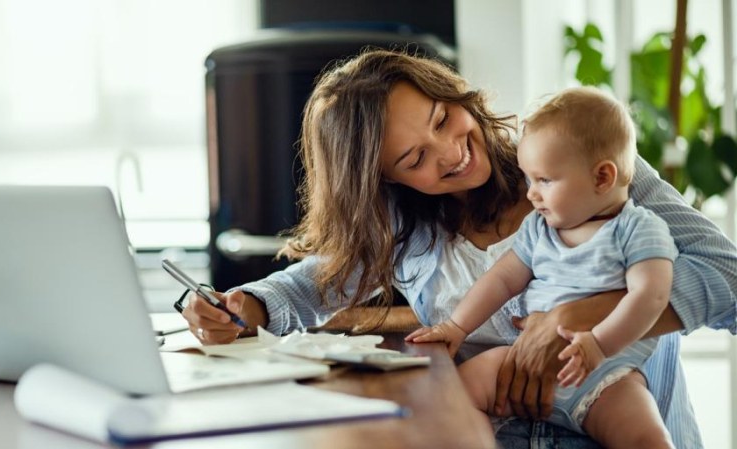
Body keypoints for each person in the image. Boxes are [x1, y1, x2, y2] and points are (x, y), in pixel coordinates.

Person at [180, 49, 737, 448]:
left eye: (444, 120)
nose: (450, 153)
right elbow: (311, 283)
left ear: (452, 94)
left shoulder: (584, 165)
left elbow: (728, 279)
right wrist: (240, 308)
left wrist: (580, 315)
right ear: (387, 181)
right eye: (414, 160)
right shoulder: (405, 224)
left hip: (623, 425)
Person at [406, 86, 676, 448]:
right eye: (529, 179)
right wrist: (456, 326)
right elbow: (502, 279)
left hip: (606, 375)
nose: (531, 194)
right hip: (523, 362)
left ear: (601, 178)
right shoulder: (539, 227)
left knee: (648, 437)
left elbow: (652, 295)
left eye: (544, 181)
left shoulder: (637, 229)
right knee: (452, 396)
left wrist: (597, 343)